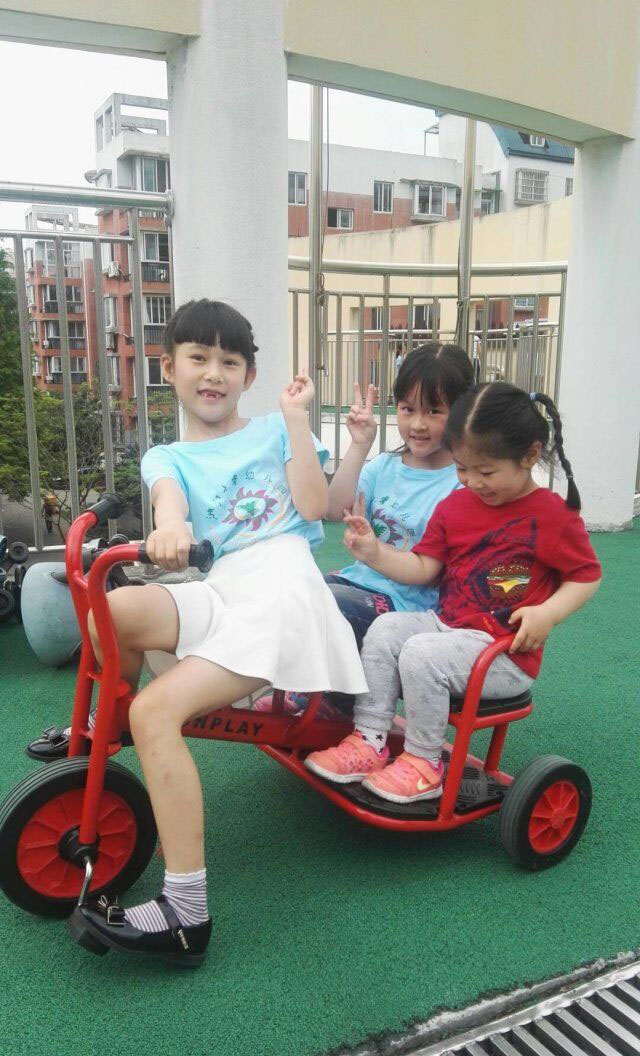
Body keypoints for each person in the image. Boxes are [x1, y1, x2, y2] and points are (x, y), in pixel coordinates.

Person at [72, 298, 366, 965]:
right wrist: (171, 529)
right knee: (111, 612)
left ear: (248, 376)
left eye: (229, 362)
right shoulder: (167, 455)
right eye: (198, 358)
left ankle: (186, 912)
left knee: (155, 711)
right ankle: (117, 724)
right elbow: (169, 502)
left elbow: (316, 505)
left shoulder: (274, 431)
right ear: (169, 368)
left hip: (281, 591)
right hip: (224, 586)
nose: (213, 373)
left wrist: (297, 421)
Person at [305, 382, 602, 802]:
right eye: (462, 468)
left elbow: (586, 576)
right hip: (448, 628)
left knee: (422, 652)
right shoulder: (456, 505)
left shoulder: (551, 515)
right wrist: (375, 552)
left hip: (504, 653)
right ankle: (369, 740)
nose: (473, 482)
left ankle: (424, 763)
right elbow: (425, 568)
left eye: (486, 471)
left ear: (530, 455)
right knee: (386, 629)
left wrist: (547, 613)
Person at [254, 343, 475, 718]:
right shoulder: (385, 467)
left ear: (461, 412)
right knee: (295, 590)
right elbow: (334, 508)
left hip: (407, 606)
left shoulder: (461, 483)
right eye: (407, 409)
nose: (418, 424)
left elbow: (431, 572)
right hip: (359, 583)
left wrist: (375, 553)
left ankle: (334, 706)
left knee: (332, 605)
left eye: (434, 411)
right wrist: (359, 446)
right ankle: (303, 689)